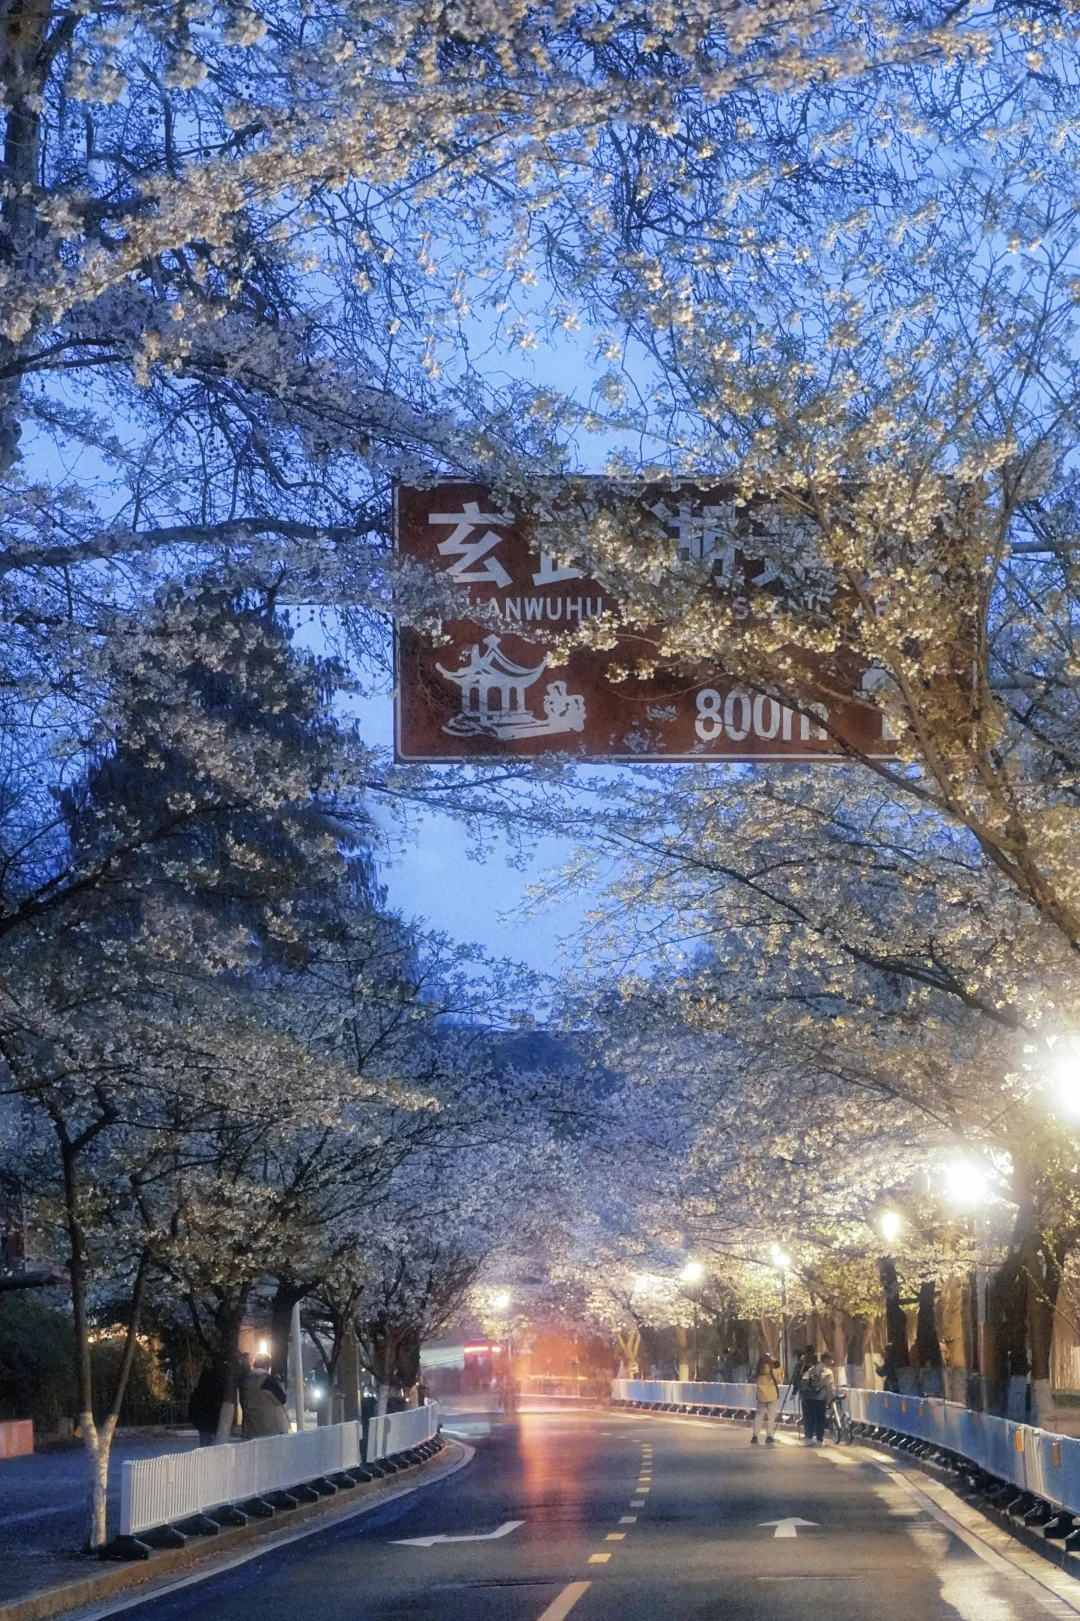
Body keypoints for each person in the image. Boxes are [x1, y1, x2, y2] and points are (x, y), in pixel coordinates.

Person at [239, 1352, 289, 1438]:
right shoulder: (268, 1380)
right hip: (271, 1429)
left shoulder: (246, 1380)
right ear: (268, 1365)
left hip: (252, 1428)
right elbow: (282, 1399)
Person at [801, 1351, 834, 1445]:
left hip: (809, 1398)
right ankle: (819, 1439)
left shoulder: (811, 1369)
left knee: (810, 1418)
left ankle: (809, 1437)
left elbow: (804, 1382)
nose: (831, 1362)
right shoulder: (827, 1372)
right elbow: (829, 1388)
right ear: (826, 1360)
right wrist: (830, 1400)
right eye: (830, 1360)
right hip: (820, 1398)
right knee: (820, 1419)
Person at [751, 1353, 780, 1445]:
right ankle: (769, 1436)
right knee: (771, 1417)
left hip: (761, 1397)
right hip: (772, 1396)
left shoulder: (758, 1374)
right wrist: (773, 1359)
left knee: (759, 1416)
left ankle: (755, 1436)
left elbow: (752, 1378)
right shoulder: (772, 1373)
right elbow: (779, 1369)